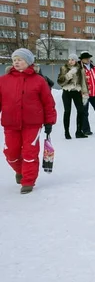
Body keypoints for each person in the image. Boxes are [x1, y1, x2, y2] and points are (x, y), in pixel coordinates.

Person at [0, 49, 57, 194]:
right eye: (14, 60)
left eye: (20, 59)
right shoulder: (4, 80)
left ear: (29, 62)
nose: (17, 62)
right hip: (10, 123)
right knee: (10, 153)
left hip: (32, 124)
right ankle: (21, 171)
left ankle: (28, 181)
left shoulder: (39, 81)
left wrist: (49, 121)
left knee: (29, 153)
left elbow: (48, 102)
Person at [57, 53, 89, 139]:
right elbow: (60, 82)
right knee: (67, 111)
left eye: (72, 59)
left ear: (76, 60)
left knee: (81, 111)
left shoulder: (80, 69)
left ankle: (79, 131)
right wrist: (68, 75)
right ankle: (66, 132)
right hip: (67, 91)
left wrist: (85, 92)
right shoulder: (64, 68)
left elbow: (83, 82)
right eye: (69, 59)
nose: (70, 61)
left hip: (76, 91)